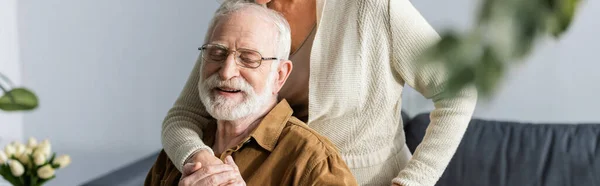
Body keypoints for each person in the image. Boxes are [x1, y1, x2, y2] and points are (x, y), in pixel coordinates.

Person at [163, 0, 478, 185]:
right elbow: (183, 116)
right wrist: (204, 163)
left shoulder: (373, 7)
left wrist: (411, 183)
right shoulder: (241, 13)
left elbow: (459, 91)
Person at [145, 2, 357, 186]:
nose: (227, 72)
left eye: (248, 59)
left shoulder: (312, 162)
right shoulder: (181, 153)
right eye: (217, 53)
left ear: (280, 75)